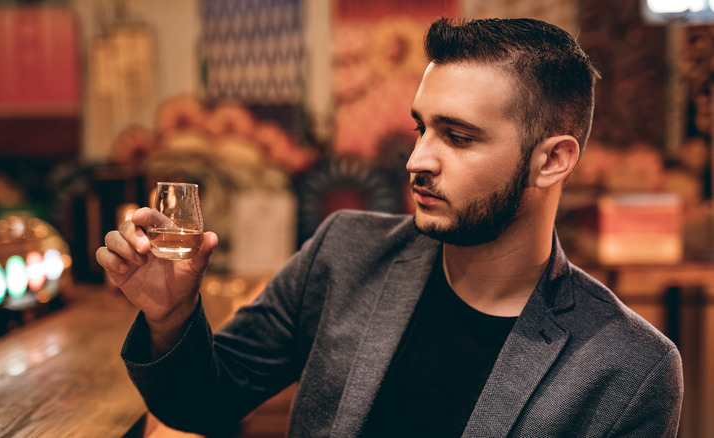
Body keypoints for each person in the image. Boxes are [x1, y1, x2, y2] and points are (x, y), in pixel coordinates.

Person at [97, 17, 683, 437]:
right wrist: (169, 317)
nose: (418, 160)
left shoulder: (629, 366)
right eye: (419, 129)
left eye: (457, 136)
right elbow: (201, 405)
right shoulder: (344, 251)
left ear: (552, 159)